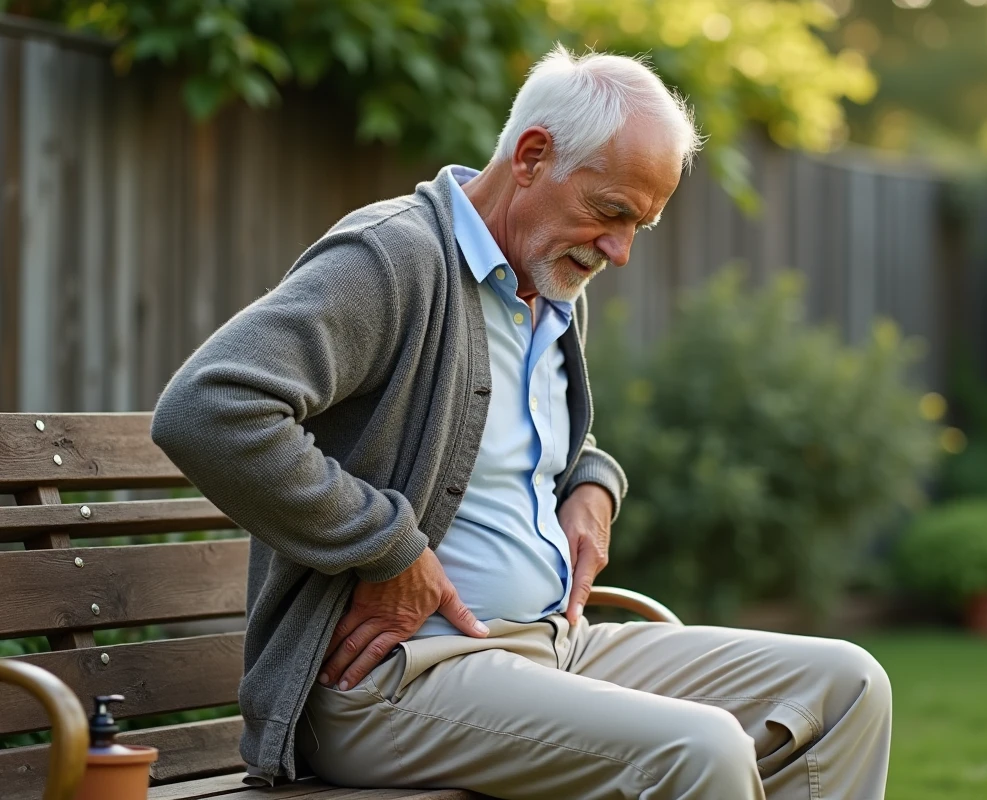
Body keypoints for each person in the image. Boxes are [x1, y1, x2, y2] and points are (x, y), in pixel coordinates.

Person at [151, 45, 891, 800]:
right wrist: (386, 546)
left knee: (848, 686)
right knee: (698, 750)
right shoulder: (396, 259)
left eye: (642, 224)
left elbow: (536, 445)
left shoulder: (553, 281)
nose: (621, 250)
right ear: (533, 156)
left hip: (553, 647)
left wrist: (596, 486)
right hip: (396, 676)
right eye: (611, 213)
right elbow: (209, 408)